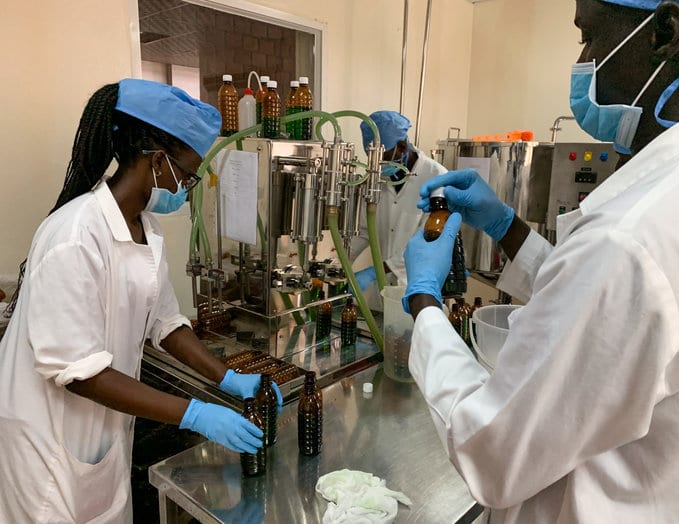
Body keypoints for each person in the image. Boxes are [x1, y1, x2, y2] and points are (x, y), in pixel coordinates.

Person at [402, 0, 679, 522]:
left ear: (665, 33)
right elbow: (599, 311)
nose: (585, 59)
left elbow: (489, 451)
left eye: (589, 36)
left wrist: (423, 298)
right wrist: (506, 227)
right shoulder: (678, 193)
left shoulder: (629, 239)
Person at [0, 79, 282, 522]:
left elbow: (166, 323)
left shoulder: (145, 230)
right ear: (156, 163)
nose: (188, 187)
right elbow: (80, 375)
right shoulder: (74, 236)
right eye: (187, 175)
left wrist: (227, 378)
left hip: (100, 437)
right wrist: (195, 414)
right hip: (46, 442)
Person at [352, 111, 447, 300]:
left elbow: (427, 242)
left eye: (383, 157)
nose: (378, 166)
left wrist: (374, 272)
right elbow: (364, 230)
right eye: (373, 158)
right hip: (381, 289)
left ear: (402, 147)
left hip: (417, 288)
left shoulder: (437, 178)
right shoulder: (376, 178)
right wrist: (338, 262)